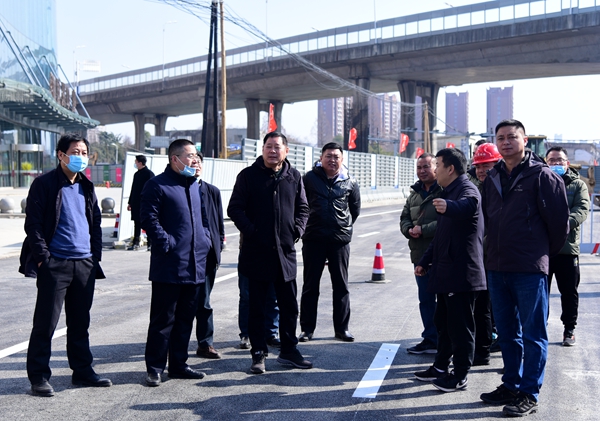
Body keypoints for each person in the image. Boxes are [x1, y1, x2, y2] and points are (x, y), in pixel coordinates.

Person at [480, 119, 569, 417]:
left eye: (512, 137)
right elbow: (488, 219)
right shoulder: (492, 176)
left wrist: (538, 254)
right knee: (506, 332)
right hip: (497, 266)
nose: (506, 142)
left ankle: (529, 392)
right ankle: (511, 384)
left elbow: (559, 225)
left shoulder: (542, 176)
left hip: (529, 268)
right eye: (500, 138)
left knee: (533, 334)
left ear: (524, 140)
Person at [19, 133, 111, 397]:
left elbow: (95, 222)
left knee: (80, 323)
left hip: (84, 263)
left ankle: (82, 371)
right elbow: (34, 225)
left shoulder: (87, 185)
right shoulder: (44, 184)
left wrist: (94, 257)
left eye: (84, 153)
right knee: (45, 323)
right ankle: (39, 377)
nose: (81, 157)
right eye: (75, 152)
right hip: (55, 264)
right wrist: (44, 260)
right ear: (61, 155)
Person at [228, 131, 311, 374]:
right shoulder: (248, 176)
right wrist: (252, 231)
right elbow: (235, 209)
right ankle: (258, 353)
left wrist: (297, 230)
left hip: (285, 253)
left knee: (289, 306)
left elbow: (303, 208)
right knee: (257, 307)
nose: (272, 151)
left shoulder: (293, 176)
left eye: (277, 147)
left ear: (286, 151)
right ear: (262, 149)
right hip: (256, 252)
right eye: (268, 146)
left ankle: (289, 351)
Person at [140, 139, 212, 387]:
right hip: (169, 265)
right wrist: (167, 242)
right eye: (190, 155)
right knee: (163, 321)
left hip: (195, 264)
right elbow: (148, 218)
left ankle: (179, 365)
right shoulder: (157, 185)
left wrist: (205, 240)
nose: (195, 160)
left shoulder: (193, 185)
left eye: (196, 156)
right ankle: (155, 368)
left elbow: (203, 218)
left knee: (185, 319)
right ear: (175, 159)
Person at [414, 147, 486, 393]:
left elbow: (469, 205)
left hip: (461, 274)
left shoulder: (466, 189)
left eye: (437, 165)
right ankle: (440, 367)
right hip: (446, 272)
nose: (434, 170)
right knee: (443, 323)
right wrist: (424, 261)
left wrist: (449, 206)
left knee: (460, 327)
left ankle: (460, 375)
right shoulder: (448, 191)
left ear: (450, 168)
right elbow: (440, 237)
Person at [299, 142, 361, 343]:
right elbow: (300, 205)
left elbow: (355, 209)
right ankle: (307, 329)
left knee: (341, 286)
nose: (332, 160)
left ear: (342, 160)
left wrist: (341, 226)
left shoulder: (350, 181)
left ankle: (342, 329)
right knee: (310, 286)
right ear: (321, 158)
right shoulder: (309, 179)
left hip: (339, 240)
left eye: (336, 157)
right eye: (328, 156)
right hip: (313, 238)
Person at [545, 146, 589, 346]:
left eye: (559, 160)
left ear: (567, 163)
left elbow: (582, 209)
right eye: (552, 160)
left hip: (567, 248)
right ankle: (540, 328)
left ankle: (569, 329)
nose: (556, 164)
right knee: (539, 293)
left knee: (569, 292)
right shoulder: (540, 182)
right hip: (543, 250)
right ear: (546, 163)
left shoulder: (577, 185)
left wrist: (563, 225)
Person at [399, 152, 441, 354]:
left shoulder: (445, 190)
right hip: (419, 255)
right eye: (419, 167)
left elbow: (447, 221)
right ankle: (430, 338)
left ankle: (446, 340)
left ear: (436, 168)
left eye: (426, 166)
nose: (422, 171)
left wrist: (424, 230)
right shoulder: (414, 193)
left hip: (441, 255)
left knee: (445, 301)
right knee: (426, 300)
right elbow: (404, 217)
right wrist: (408, 229)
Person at [470, 143, 503, 365]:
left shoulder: (504, 188)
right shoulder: (478, 188)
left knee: (506, 310)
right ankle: (482, 352)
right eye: (478, 166)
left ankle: (513, 360)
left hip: (502, 259)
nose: (481, 170)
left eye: (486, 166)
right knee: (482, 307)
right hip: (481, 259)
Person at [194, 152, 225, 359]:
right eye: (191, 161)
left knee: (204, 302)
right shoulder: (175, 189)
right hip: (184, 255)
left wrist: (218, 246)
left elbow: (219, 223)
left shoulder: (211, 191)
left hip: (208, 255)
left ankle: (205, 344)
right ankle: (175, 346)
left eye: (198, 162)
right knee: (180, 304)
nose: (195, 165)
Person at [237, 238, 281, 350]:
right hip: (250, 250)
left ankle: (271, 333)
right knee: (246, 297)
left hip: (273, 251)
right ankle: (246, 334)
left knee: (272, 296)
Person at [127, 155, 154, 250]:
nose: (135, 164)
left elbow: (152, 190)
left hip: (145, 203)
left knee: (148, 223)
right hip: (136, 203)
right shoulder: (136, 174)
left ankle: (151, 243)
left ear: (140, 162)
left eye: (136, 162)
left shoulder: (149, 174)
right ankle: (136, 242)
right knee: (137, 223)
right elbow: (133, 189)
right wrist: (130, 202)